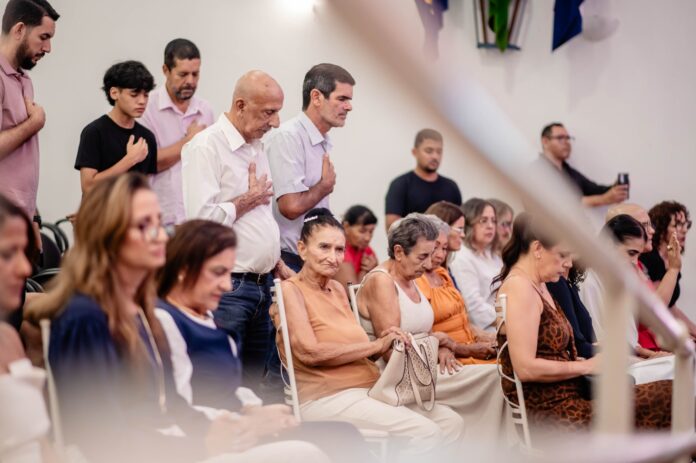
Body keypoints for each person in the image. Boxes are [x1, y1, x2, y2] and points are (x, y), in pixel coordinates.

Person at [24, 174, 329, 463]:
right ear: (108, 237)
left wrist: (236, 424)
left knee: (309, 450)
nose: (160, 236)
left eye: (160, 223)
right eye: (144, 225)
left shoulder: (140, 311)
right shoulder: (86, 317)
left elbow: (172, 407)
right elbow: (98, 439)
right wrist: (203, 442)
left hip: (170, 446)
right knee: (305, 454)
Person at [155, 219, 375, 463]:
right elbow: (172, 405)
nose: (227, 285)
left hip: (238, 426)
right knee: (319, 448)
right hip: (211, 438)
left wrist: (257, 409)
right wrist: (245, 422)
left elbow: (230, 389)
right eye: (218, 272)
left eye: (228, 273)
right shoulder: (164, 321)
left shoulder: (209, 320)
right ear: (184, 269)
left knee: (343, 435)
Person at [273, 208, 465, 456]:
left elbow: (363, 351)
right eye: (324, 247)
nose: (333, 257)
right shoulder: (291, 290)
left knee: (451, 422)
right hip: (327, 396)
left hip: (371, 389)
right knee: (426, 432)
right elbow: (310, 353)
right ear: (302, 249)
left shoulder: (337, 289)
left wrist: (390, 340)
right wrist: (377, 345)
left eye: (339, 250)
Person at [495, 212, 672, 433]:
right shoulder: (520, 287)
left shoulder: (537, 285)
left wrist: (577, 361)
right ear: (537, 248)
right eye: (563, 254)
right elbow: (525, 368)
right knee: (670, 395)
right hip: (555, 414)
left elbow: (547, 352)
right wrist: (585, 366)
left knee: (671, 391)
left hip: (571, 399)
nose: (569, 263)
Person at [181, 70, 291, 399]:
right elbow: (201, 223)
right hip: (228, 286)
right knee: (219, 387)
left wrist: (274, 260)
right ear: (241, 105)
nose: (275, 122)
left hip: (262, 284)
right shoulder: (206, 147)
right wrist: (246, 200)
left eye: (277, 112)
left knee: (252, 388)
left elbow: (259, 217)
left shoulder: (257, 146)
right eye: (268, 112)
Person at [356, 213, 509, 440]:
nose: (429, 264)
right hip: (397, 377)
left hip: (423, 367)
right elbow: (392, 353)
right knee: (496, 376)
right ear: (399, 252)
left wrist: (443, 346)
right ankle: (490, 449)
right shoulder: (382, 281)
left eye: (431, 254)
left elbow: (423, 331)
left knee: (498, 374)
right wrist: (442, 343)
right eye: (422, 256)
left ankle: (486, 447)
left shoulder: (410, 276)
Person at [266, 63, 355, 272]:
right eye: (342, 99)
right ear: (316, 97)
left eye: (349, 100)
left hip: (310, 259)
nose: (349, 107)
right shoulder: (288, 137)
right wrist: (324, 187)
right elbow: (289, 207)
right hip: (287, 259)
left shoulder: (321, 140)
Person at [0, 194, 51, 463]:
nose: (25, 268)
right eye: (8, 254)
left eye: (24, 252)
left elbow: (42, 444)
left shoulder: (9, 338)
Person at [140, 38, 214, 224]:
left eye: (195, 74)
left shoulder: (205, 109)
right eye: (183, 74)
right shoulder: (146, 108)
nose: (190, 81)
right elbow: (147, 163)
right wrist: (189, 141)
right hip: (161, 217)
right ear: (166, 70)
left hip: (198, 216)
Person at [0, 0, 58, 222]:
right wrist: (34, 124)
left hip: (23, 219)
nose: (48, 48)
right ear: (19, 30)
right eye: (43, 37)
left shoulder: (24, 79)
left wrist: (34, 215)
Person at [415, 215, 496, 365]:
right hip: (451, 357)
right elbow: (420, 335)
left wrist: (486, 337)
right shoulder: (416, 279)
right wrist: (461, 349)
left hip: (469, 347)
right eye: (435, 247)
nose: (440, 255)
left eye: (444, 248)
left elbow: (462, 318)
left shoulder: (442, 273)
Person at [74, 60, 158, 194]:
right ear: (114, 93)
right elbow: (88, 187)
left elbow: (145, 188)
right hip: (101, 208)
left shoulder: (147, 137)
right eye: (134, 94)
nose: (142, 101)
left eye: (146, 95)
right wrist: (130, 160)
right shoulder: (94, 132)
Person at [384, 129, 461, 231]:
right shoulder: (400, 185)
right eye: (429, 151)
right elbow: (392, 227)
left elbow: (460, 224)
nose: (435, 156)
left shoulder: (451, 187)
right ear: (415, 152)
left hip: (446, 241)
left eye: (439, 152)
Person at [639, 201, 696, 338]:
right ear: (660, 228)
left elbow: (672, 308)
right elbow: (656, 308)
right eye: (677, 225)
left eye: (686, 224)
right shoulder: (649, 259)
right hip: (647, 334)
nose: (684, 230)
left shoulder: (671, 261)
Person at [537, 122, 628, 207]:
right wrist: (604, 199)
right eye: (560, 138)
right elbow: (563, 202)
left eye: (568, 138)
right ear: (545, 142)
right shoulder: (536, 171)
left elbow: (594, 189)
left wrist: (616, 187)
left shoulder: (569, 171)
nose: (566, 142)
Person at [449, 198, 502, 332]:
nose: (490, 226)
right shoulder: (462, 257)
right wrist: (509, 318)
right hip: (484, 329)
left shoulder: (492, 254)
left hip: (503, 320)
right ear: (469, 224)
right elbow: (473, 306)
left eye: (493, 221)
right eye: (483, 221)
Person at [334, 205, 378, 290]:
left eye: (371, 231)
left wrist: (375, 268)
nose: (367, 238)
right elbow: (353, 293)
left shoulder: (366, 250)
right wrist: (365, 270)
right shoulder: (339, 250)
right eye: (362, 231)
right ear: (346, 226)